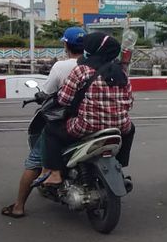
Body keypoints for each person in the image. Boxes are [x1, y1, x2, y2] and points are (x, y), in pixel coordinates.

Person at [0, 27, 85, 218]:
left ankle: (18, 206)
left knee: (35, 160)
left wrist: (40, 95)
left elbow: (47, 92)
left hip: (66, 120)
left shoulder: (61, 66)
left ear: (66, 45)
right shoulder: (96, 65)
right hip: (92, 119)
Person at [38, 32, 134, 187]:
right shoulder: (122, 73)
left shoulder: (81, 70)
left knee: (51, 129)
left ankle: (54, 173)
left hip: (87, 125)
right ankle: (120, 165)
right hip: (119, 126)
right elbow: (129, 102)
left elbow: (64, 99)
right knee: (131, 128)